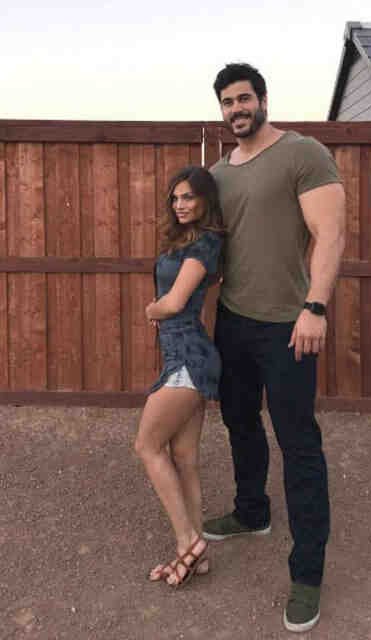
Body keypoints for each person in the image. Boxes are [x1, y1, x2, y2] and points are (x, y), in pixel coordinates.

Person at [204, 63, 346, 632]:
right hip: (233, 321)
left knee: (298, 444)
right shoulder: (218, 173)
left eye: (244, 98)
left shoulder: (302, 153)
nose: (236, 109)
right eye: (227, 102)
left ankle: (307, 574)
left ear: (262, 99)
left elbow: (330, 233)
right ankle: (252, 511)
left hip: (289, 326)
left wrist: (316, 307)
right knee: (239, 421)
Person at [134, 166, 224, 589]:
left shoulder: (206, 243)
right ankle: (195, 554)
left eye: (188, 197)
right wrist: (163, 306)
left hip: (187, 357)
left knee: (147, 446)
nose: (180, 205)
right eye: (175, 198)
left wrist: (152, 310)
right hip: (183, 352)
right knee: (184, 457)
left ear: (205, 199)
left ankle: (189, 543)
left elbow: (174, 303)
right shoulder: (185, 240)